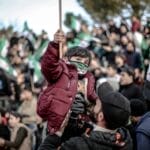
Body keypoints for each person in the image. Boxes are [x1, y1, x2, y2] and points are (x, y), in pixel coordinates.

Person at [37, 30, 98, 149]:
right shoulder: (61, 72)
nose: (82, 64)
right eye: (78, 60)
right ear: (66, 58)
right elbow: (49, 66)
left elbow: (92, 100)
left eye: (86, 62)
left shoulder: (89, 79)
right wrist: (55, 45)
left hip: (79, 128)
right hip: (59, 126)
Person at [59, 82, 133, 150]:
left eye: (97, 103)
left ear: (100, 116)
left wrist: (56, 134)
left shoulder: (76, 145)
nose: (94, 103)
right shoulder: (126, 141)